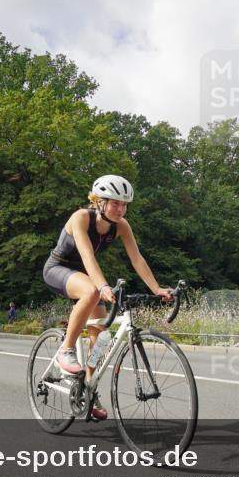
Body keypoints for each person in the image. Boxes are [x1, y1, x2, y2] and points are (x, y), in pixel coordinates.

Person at [42, 174, 172, 420]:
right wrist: (101, 286)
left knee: (101, 337)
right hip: (58, 268)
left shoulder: (122, 226)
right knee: (90, 291)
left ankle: (88, 390)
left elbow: (137, 259)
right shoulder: (80, 218)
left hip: (85, 275)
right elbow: (87, 256)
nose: (121, 209)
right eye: (115, 203)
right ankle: (66, 350)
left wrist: (157, 289)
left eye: (124, 204)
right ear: (98, 201)